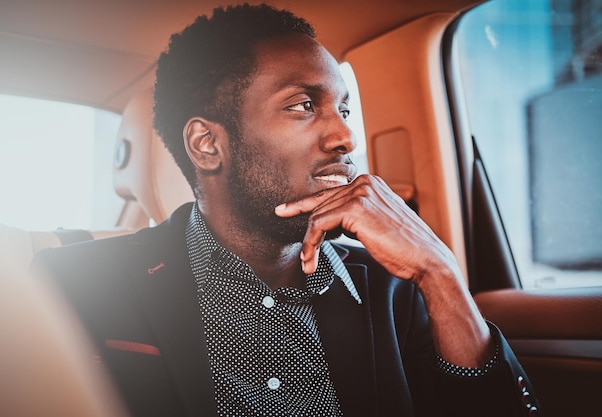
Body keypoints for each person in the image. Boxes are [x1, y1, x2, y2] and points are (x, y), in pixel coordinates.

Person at [34, 4, 540, 416]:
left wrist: (440, 270)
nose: (346, 137)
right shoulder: (72, 283)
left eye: (343, 108)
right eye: (302, 105)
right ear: (207, 144)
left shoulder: (397, 288)